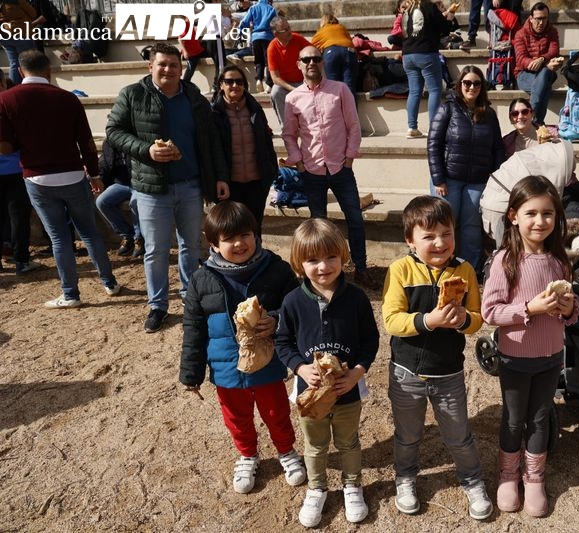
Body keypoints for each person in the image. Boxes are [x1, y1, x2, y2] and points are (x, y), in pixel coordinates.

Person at [179, 201, 306, 495]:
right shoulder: (202, 279)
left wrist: (275, 320)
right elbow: (193, 329)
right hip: (226, 368)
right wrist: (191, 374)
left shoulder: (276, 269)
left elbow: (297, 308)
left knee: (276, 413)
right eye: (228, 239)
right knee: (236, 417)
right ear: (213, 244)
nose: (239, 244)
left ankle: (287, 451)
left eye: (245, 235)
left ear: (256, 234)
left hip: (268, 363)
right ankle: (248, 455)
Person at [381, 195, 492, 521]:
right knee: (408, 435)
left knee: (459, 435)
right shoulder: (400, 270)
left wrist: (463, 320)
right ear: (410, 240)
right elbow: (392, 320)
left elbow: (477, 318)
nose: (440, 242)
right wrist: (429, 320)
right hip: (406, 372)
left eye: (447, 233)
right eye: (428, 236)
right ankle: (405, 477)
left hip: (448, 373)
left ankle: (472, 480)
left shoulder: (465, 270)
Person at [106, 43, 230, 333]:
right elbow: (113, 131)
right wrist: (146, 149)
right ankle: (158, 305)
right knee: (156, 250)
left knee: (190, 246)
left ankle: (190, 298)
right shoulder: (133, 94)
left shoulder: (193, 95)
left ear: (181, 67)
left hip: (190, 185)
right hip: (151, 189)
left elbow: (210, 139)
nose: (168, 70)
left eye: (174, 65)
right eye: (162, 64)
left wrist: (220, 176)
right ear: (150, 66)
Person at [481, 175, 577, 517]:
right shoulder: (504, 261)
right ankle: (507, 473)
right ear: (513, 216)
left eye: (548, 214)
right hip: (516, 358)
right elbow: (490, 312)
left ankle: (534, 476)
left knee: (540, 417)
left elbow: (571, 311)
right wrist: (528, 309)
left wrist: (568, 309)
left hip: (551, 357)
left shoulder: (560, 260)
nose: (540, 221)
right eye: (531, 213)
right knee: (513, 418)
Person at [275, 218, 379, 528]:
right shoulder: (292, 301)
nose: (323, 266)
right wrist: (300, 367)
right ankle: (317, 488)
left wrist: (357, 372)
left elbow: (370, 340)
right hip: (309, 395)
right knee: (316, 445)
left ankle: (352, 485)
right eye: (312, 259)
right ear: (299, 263)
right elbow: (282, 342)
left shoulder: (357, 298)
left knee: (348, 442)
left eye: (331, 257)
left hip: (347, 391)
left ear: (343, 255)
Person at [0, 50, 120, 307]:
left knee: (59, 238)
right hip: (73, 174)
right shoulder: (67, 99)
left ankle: (70, 294)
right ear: (49, 71)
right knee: (89, 232)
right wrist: (94, 174)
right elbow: (87, 143)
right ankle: (109, 282)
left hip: (37, 177)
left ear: (21, 71)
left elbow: (5, 147)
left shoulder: (6, 100)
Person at [282, 45, 377, 290]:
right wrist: (299, 162)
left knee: (355, 218)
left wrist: (349, 158)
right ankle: (323, 274)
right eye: (306, 59)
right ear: (299, 64)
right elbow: (289, 134)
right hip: (312, 170)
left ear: (322, 62)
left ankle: (361, 268)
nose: (311, 62)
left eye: (316, 58)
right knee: (318, 225)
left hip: (340, 168)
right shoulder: (292, 98)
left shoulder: (340, 90)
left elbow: (353, 127)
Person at [428, 65, 505, 272]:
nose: (472, 87)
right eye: (467, 83)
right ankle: (442, 266)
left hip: (477, 181)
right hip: (448, 179)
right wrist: (438, 179)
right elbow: (433, 143)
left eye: (477, 83)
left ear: (482, 87)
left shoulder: (489, 114)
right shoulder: (447, 107)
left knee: (471, 228)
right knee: (444, 225)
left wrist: (494, 177)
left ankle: (469, 270)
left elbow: (497, 147)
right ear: (460, 84)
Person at [211, 65, 279, 225]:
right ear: (221, 84)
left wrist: (271, 171)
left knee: (255, 228)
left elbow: (267, 142)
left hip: (257, 184)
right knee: (232, 230)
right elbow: (211, 151)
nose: (235, 85)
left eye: (239, 81)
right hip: (229, 186)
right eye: (229, 81)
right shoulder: (213, 114)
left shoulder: (255, 109)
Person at [0, 67, 39, 274]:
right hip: (15, 168)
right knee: (18, 216)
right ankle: (21, 260)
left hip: (13, 168)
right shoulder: (10, 102)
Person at [401, 0, 456, 139]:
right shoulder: (429, 6)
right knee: (435, 90)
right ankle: (434, 128)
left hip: (407, 54)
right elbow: (445, 28)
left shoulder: (408, 7)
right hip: (426, 52)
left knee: (414, 92)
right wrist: (451, 14)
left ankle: (412, 127)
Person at [512, 3, 560, 128]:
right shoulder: (520, 34)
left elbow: (554, 51)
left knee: (544, 74)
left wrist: (542, 59)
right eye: (538, 18)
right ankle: (538, 122)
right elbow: (521, 60)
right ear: (531, 18)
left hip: (546, 73)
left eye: (544, 18)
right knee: (545, 85)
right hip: (524, 74)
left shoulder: (552, 31)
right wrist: (538, 63)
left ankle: (530, 116)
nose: (541, 22)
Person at [95, 138, 143, 258]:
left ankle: (139, 239)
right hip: (120, 183)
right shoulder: (108, 143)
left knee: (134, 202)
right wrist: (100, 180)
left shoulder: (134, 138)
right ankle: (127, 236)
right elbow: (105, 164)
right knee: (102, 202)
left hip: (139, 183)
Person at [267, 16, 311, 126]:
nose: (289, 31)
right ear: (276, 34)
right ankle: (286, 127)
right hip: (286, 85)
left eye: (289, 27)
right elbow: (275, 78)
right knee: (275, 92)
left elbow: (313, 53)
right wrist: (293, 89)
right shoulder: (272, 48)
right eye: (285, 30)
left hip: (304, 81)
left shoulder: (298, 39)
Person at [310, 14, 358, 95]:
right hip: (349, 52)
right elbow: (350, 41)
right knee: (350, 87)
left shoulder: (322, 30)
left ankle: (336, 106)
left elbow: (311, 46)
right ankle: (350, 107)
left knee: (334, 87)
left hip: (331, 52)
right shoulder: (341, 27)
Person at [237, 0, 278, 93]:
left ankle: (259, 79)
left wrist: (240, 33)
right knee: (269, 62)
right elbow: (276, 24)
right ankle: (269, 85)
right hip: (268, 37)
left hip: (255, 37)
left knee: (259, 61)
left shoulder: (253, 8)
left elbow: (244, 22)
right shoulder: (271, 9)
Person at [0, 0, 37, 85]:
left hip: (5, 35)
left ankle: (14, 87)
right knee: (28, 63)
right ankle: (31, 87)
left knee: (14, 63)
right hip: (21, 33)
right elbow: (33, 13)